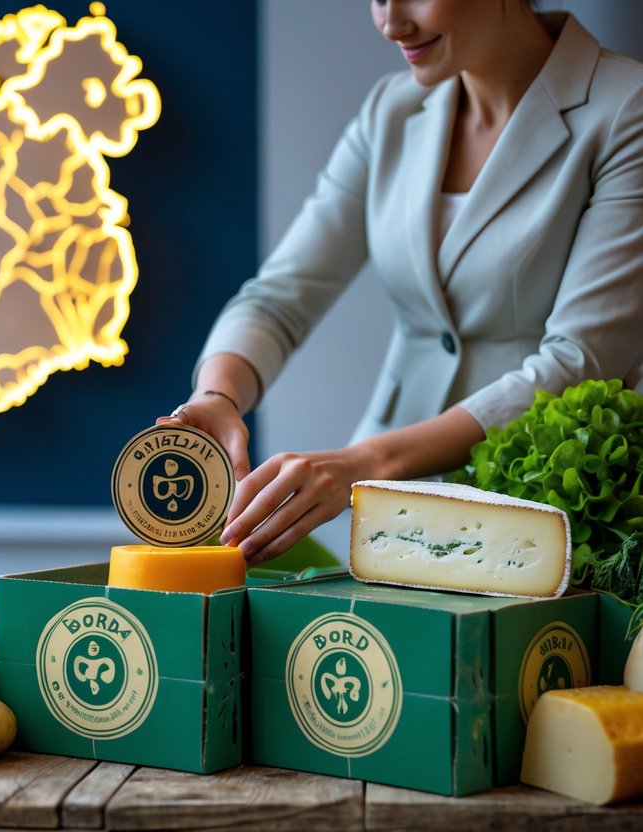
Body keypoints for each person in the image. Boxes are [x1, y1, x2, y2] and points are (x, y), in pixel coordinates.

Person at [160, 1, 643, 566]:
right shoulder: (391, 110)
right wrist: (217, 396)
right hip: (383, 523)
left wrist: (365, 464)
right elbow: (278, 298)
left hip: (543, 513)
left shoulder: (625, 109)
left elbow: (580, 360)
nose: (391, 23)